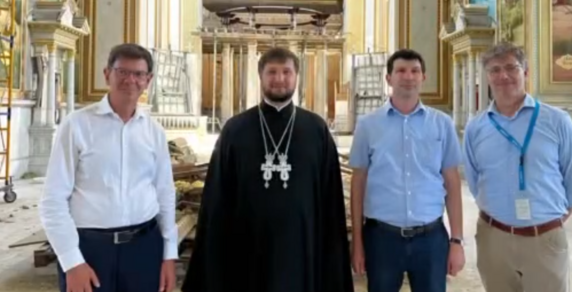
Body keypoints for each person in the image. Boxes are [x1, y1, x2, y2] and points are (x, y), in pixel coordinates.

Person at [182, 47, 353, 292]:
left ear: (296, 77)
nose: (279, 79)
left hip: (302, 244)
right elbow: (217, 198)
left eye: (286, 72)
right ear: (260, 77)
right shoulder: (235, 130)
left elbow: (331, 198)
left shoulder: (316, 129)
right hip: (247, 246)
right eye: (272, 72)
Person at [39, 43, 178, 292]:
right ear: (107, 74)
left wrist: (169, 255)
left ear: (148, 80)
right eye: (122, 72)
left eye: (138, 74)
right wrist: (72, 262)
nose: (130, 80)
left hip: (143, 248)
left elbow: (165, 193)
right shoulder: (77, 126)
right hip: (91, 250)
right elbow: (53, 200)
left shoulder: (153, 132)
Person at [463, 42, 572, 292]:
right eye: (495, 70)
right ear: (487, 77)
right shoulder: (476, 127)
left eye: (512, 67)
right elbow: (475, 181)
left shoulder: (556, 120)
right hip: (493, 238)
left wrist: (545, 222)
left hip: (544, 239)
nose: (504, 76)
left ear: (526, 72)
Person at [349, 49, 465, 292]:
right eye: (400, 70)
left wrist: (456, 240)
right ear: (388, 78)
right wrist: (358, 243)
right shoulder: (368, 126)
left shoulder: (441, 124)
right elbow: (358, 184)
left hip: (431, 239)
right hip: (382, 238)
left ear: (424, 77)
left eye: (415, 71)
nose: (408, 76)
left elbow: (452, 184)